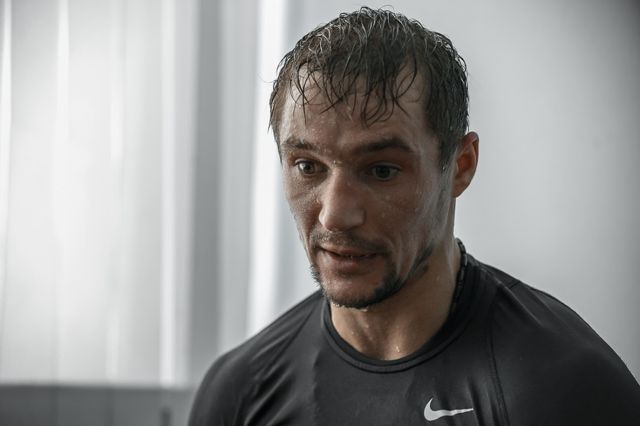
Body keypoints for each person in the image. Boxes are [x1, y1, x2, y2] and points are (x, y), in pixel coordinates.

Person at [189, 7, 640, 425]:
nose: (335, 215)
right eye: (308, 167)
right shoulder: (240, 393)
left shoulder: (563, 387)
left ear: (460, 166)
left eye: (381, 170)